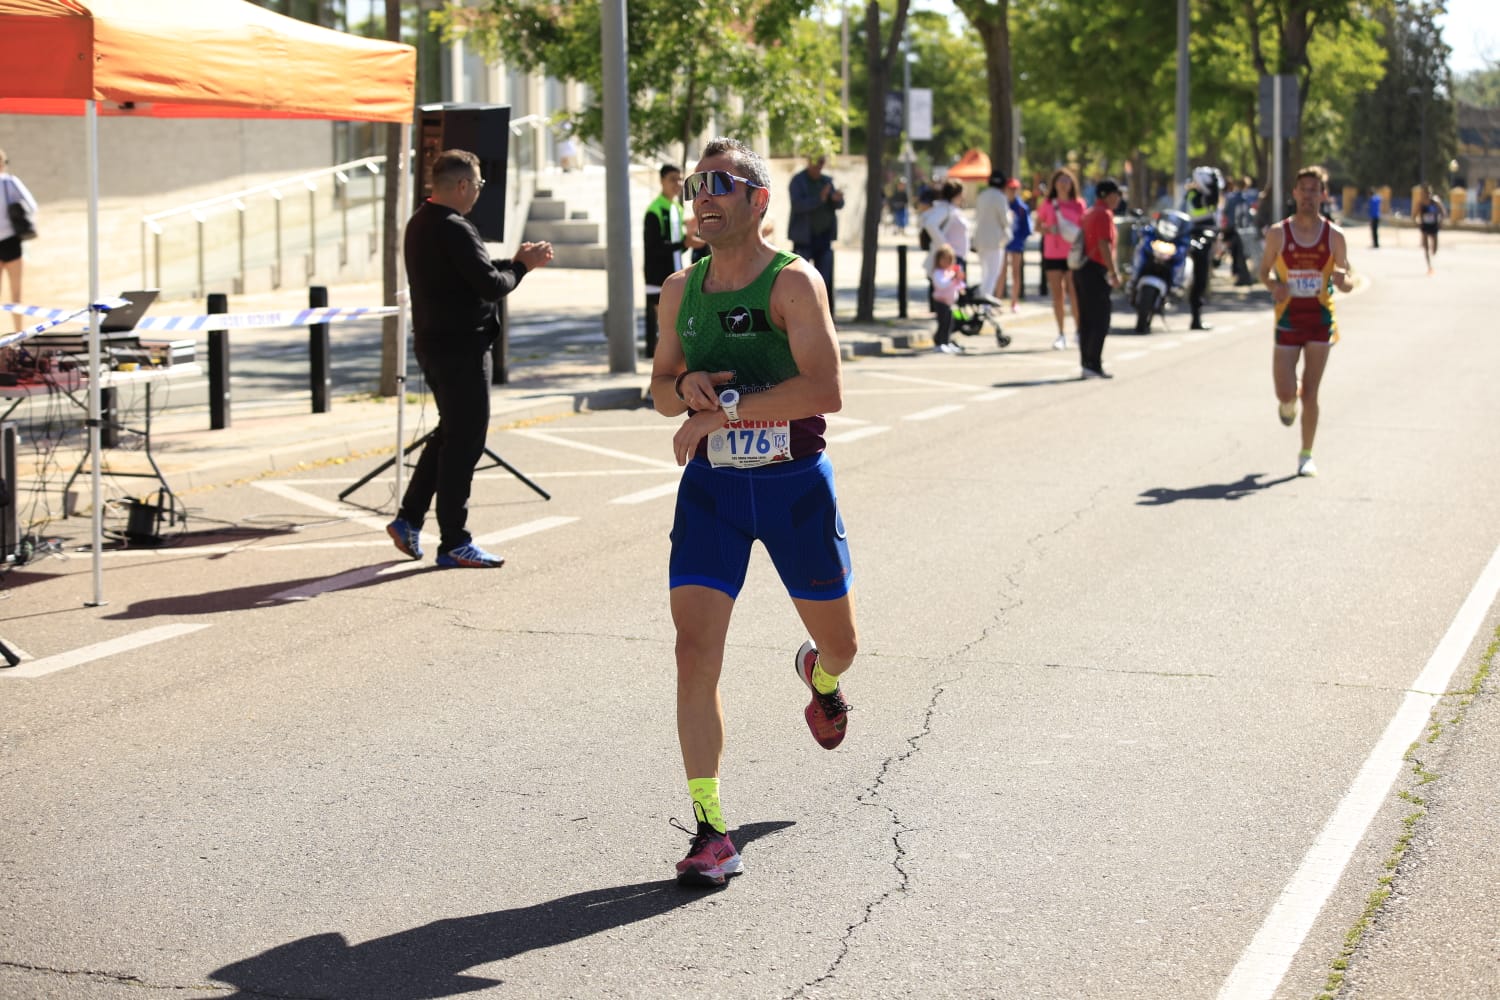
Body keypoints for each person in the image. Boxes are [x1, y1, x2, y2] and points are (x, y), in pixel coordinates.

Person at [649, 136, 857, 888]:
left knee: (843, 646)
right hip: (713, 494)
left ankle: (821, 679)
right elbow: (660, 387)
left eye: (720, 183)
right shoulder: (680, 290)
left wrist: (719, 411)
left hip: (794, 485)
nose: (702, 196)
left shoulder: (793, 284)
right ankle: (710, 826)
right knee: (692, 650)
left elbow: (824, 390)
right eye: (696, 185)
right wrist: (689, 390)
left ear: (757, 200)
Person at [386, 149, 554, 568]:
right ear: (461, 186)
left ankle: (408, 518)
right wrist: (524, 267)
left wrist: (516, 260)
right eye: (477, 185)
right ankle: (454, 540)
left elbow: (470, 272)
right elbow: (491, 284)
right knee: (464, 444)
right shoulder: (456, 228)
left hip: (435, 345)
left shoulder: (421, 222)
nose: (479, 192)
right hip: (461, 350)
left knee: (448, 435)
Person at [1258, 165, 1354, 479]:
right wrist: (1275, 286)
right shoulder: (1278, 233)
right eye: (1304, 189)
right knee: (1286, 392)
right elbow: (1264, 273)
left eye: (1315, 190)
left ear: (1322, 195)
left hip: (1320, 321)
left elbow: (1347, 276)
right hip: (1287, 320)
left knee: (1310, 392)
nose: (1309, 195)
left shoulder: (1334, 236)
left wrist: (1343, 282)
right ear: (1295, 193)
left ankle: (1306, 455)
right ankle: (1288, 404)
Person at [642, 164, 703, 358]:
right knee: (663, 330)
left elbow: (675, 247)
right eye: (672, 179)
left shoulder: (676, 207)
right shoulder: (655, 210)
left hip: (674, 275)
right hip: (658, 277)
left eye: (679, 179)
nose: (677, 183)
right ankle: (658, 379)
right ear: (661, 181)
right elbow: (654, 248)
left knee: (674, 330)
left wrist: (688, 243)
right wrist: (683, 242)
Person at [1076, 178, 1123, 379]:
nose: (1119, 198)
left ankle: (1087, 362)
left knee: (1086, 318)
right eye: (1117, 194)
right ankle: (1094, 363)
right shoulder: (1103, 214)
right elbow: (1104, 245)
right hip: (1096, 269)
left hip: (1082, 269)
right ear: (1108, 195)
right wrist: (1113, 273)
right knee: (1100, 319)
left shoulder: (1089, 212)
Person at [1035, 168, 1084, 350]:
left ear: (1072, 184)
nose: (1063, 184)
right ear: (1054, 184)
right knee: (1058, 295)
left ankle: (1079, 330)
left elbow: (1084, 228)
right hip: (1052, 253)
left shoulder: (1079, 204)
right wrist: (1048, 230)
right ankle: (1061, 333)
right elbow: (1037, 226)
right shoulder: (1047, 204)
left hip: (1073, 254)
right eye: (1060, 181)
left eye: (1067, 181)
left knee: (1074, 293)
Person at [787, 155, 844, 304]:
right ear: (809, 161)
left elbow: (837, 204)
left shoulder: (827, 181)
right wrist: (820, 199)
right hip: (804, 239)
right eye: (816, 162)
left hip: (824, 239)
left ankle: (827, 317)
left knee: (825, 281)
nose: (819, 166)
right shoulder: (798, 181)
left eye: (821, 162)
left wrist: (837, 199)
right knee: (801, 281)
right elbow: (798, 205)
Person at [0, 148, 38, 334]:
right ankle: (17, 335)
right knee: (16, 294)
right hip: (11, 241)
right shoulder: (9, 182)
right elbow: (31, 205)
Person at [1183, 165, 1224, 330]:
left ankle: (1196, 318)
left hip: (1207, 239)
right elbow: (1197, 209)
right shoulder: (1195, 195)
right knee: (1198, 278)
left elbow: (1215, 218)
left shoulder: (1209, 196)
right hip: (1192, 238)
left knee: (1201, 280)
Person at [921, 179, 969, 312]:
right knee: (945, 286)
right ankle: (944, 315)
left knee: (954, 287)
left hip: (956, 255)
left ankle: (954, 316)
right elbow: (931, 224)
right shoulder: (944, 209)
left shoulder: (951, 209)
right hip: (949, 256)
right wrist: (945, 246)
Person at [972, 170, 1013, 301]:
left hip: (980, 239)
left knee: (985, 272)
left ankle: (983, 300)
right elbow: (1005, 220)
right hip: (995, 240)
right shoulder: (1000, 197)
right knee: (993, 273)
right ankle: (985, 302)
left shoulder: (982, 195)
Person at [929, 244, 965, 354]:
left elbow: (957, 284)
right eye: (944, 259)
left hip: (949, 302)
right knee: (943, 323)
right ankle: (939, 343)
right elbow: (941, 285)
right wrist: (952, 278)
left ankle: (946, 341)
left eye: (949, 259)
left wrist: (960, 286)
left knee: (950, 323)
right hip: (940, 302)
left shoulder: (949, 272)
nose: (946, 262)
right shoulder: (938, 273)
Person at [1004, 178, 1031, 312]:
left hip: (1016, 243)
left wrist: (1020, 240)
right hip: (1003, 243)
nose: (1012, 191)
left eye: (1014, 189)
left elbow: (1027, 228)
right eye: (1010, 188)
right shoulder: (1003, 204)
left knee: (1015, 272)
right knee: (1001, 272)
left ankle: (1014, 301)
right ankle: (998, 298)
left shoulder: (1022, 208)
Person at [1417, 183, 1445, 274]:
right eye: (1425, 193)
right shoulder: (1421, 203)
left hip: (1434, 225)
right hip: (1425, 226)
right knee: (1426, 248)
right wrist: (1417, 222)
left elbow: (1443, 212)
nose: (1427, 195)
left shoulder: (1435, 201)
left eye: (1428, 193)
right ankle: (1429, 266)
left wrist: (1441, 222)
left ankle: (1433, 254)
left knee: (1435, 249)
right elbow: (1415, 214)